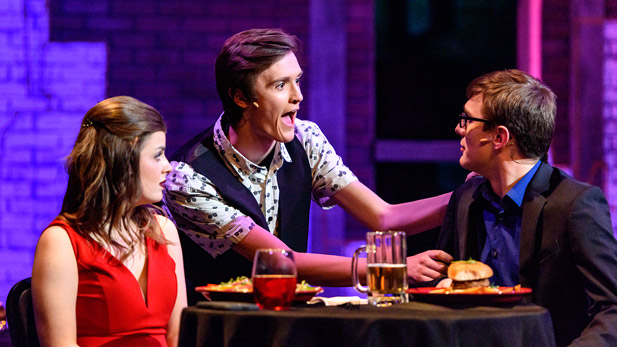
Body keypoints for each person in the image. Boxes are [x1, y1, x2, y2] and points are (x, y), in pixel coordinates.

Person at [163, 28, 452, 305]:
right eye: (280, 85)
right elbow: (280, 260)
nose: (297, 96)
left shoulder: (305, 138)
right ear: (240, 98)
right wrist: (389, 269)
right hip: (222, 329)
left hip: (287, 321)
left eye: (297, 81)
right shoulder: (187, 177)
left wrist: (468, 195)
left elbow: (383, 217)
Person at [434, 69, 617, 346]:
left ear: (499, 137)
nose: (459, 128)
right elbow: (443, 287)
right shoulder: (466, 198)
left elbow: (612, 308)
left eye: (467, 120)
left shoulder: (574, 204)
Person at [31, 96, 187, 346]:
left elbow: (178, 336)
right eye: (157, 155)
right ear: (123, 160)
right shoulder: (62, 241)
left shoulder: (163, 230)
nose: (168, 166)